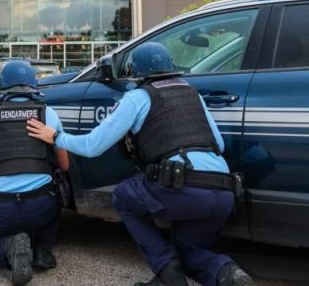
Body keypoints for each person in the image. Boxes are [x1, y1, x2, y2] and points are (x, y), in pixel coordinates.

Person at [26, 42, 252, 286]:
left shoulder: (138, 97)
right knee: (189, 249)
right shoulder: (191, 93)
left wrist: (56, 137)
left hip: (184, 189)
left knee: (123, 196)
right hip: (223, 193)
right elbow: (219, 144)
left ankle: (168, 272)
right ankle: (227, 273)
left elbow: (93, 146)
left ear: (135, 72)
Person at [0, 60, 70, 286]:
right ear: (34, 84)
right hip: (41, 206)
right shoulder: (49, 115)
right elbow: (65, 165)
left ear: (1, 86)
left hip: (1, 208)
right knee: (55, 191)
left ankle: (8, 248)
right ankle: (42, 249)